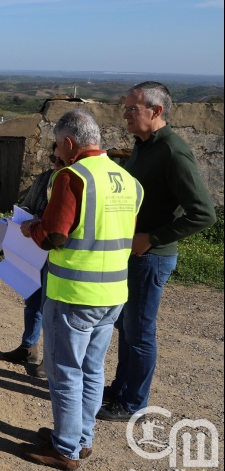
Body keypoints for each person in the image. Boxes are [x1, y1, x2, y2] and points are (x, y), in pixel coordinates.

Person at [18, 109, 142, 469]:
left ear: (69, 143)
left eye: (57, 145)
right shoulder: (128, 180)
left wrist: (32, 229)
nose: (57, 152)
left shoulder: (72, 177)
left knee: (65, 373)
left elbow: (54, 234)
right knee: (92, 369)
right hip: (114, 294)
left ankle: (65, 449)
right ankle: (80, 438)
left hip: (74, 295)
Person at [97, 82, 216, 422]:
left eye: (132, 109)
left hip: (151, 256)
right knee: (127, 327)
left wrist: (153, 238)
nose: (125, 115)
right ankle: (120, 389)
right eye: (126, 108)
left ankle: (134, 404)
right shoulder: (142, 146)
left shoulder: (172, 152)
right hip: (133, 253)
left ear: (156, 111)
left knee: (141, 331)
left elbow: (204, 213)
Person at [1, 145, 66, 379]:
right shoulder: (44, 179)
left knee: (51, 309)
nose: (56, 164)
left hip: (56, 253)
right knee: (32, 300)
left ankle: (49, 360)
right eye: (53, 158)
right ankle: (28, 347)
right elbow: (27, 205)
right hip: (33, 248)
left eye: (60, 160)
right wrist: (22, 219)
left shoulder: (72, 182)